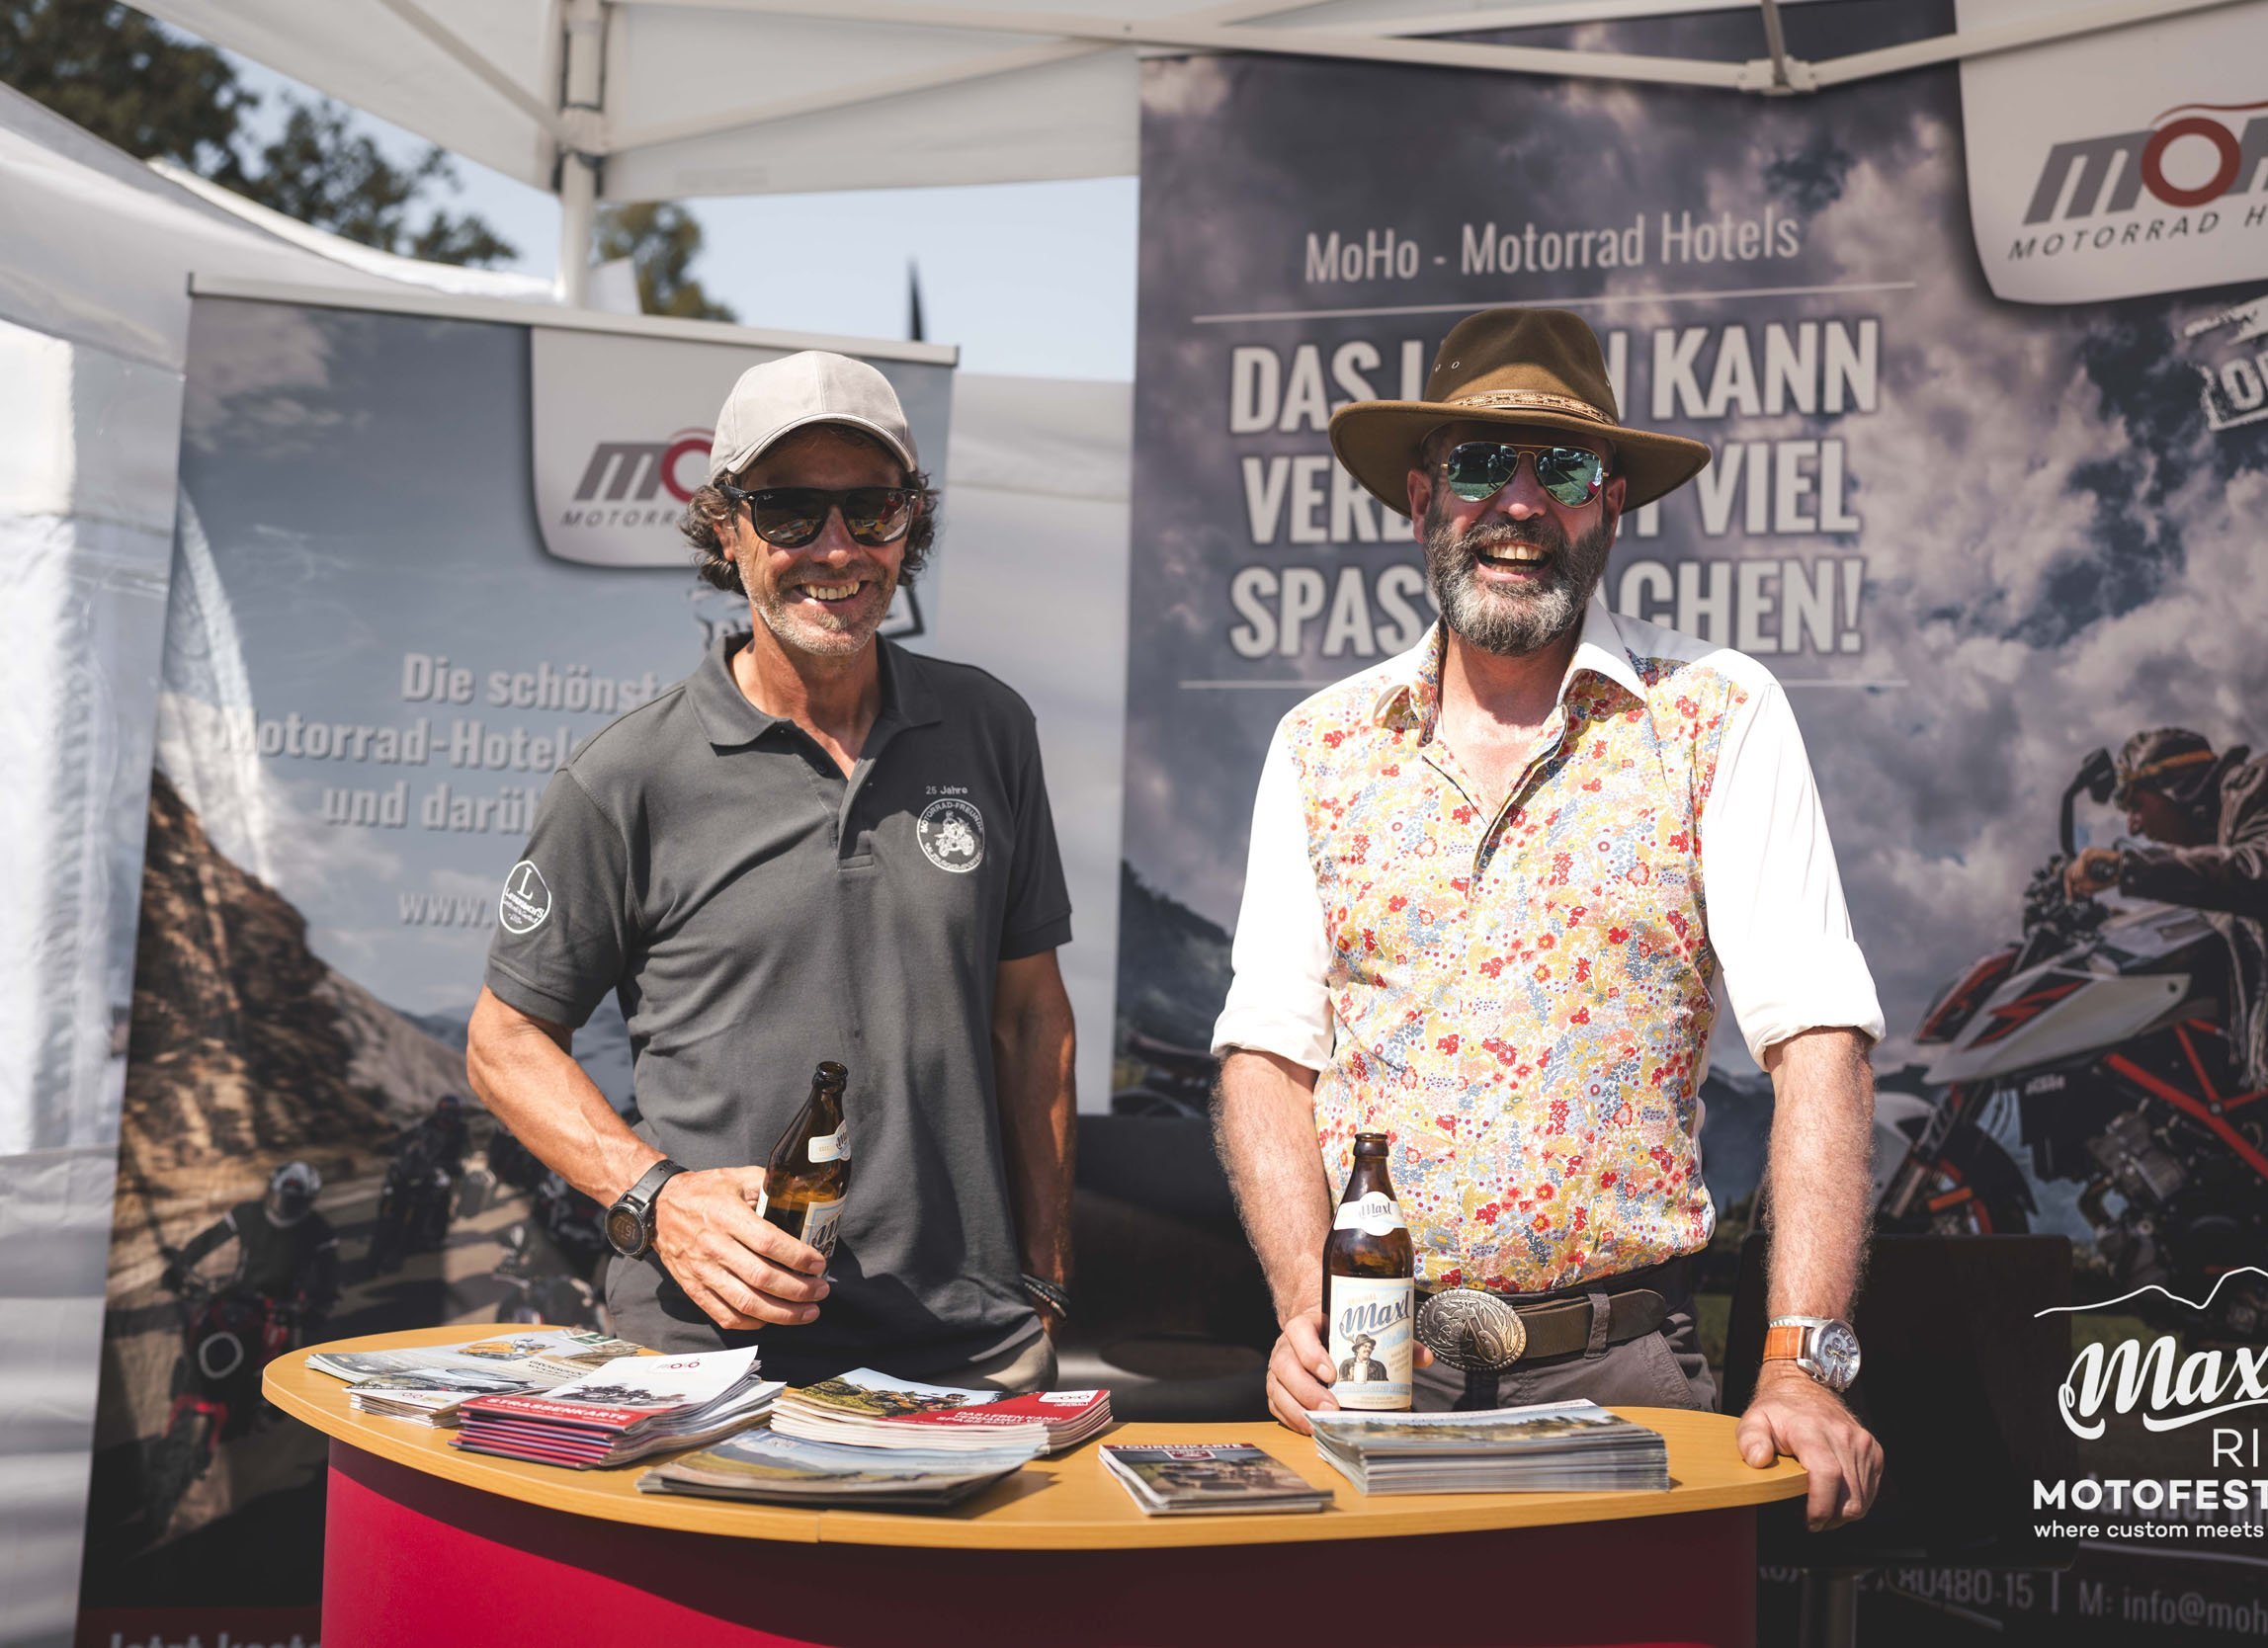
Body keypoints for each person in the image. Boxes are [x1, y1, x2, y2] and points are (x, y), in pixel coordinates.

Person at [1212, 308, 1886, 1531]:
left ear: (1610, 502)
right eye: (1480, 464)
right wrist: (1304, 1315)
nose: (1518, 504)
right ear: (1422, 495)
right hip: (1374, 1376)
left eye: (1561, 468)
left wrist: (1797, 1359)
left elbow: (1819, 1043)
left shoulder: (1716, 716)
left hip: (1627, 1370)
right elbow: (1267, 1057)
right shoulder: (1319, 744)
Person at [467, 352, 1076, 1391]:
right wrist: (658, 1200)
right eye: (789, 512)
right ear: (724, 527)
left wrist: (1047, 1285)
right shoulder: (626, 776)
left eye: (871, 508)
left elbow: (1032, 1021)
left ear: (910, 522)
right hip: (711, 1359)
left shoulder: (990, 729)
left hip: (967, 1350)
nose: (835, 549)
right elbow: (503, 1040)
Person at [2064, 728, 2268, 1086]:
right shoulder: (2219, 845)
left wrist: (2128, 867)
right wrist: (2118, 928)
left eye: (2135, 804)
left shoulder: (2255, 786)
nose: (2134, 826)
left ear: (2175, 786)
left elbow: (2254, 870)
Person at [165, 1161, 340, 1324]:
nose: (285, 1205)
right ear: (270, 1190)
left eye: (294, 1201)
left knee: (283, 1353)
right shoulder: (248, 1212)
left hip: (285, 1306)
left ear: (309, 1201)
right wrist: (181, 1264)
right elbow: (210, 1238)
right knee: (200, 1328)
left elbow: (329, 1272)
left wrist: (322, 1305)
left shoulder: (319, 1229)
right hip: (241, 1292)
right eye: (281, 1197)